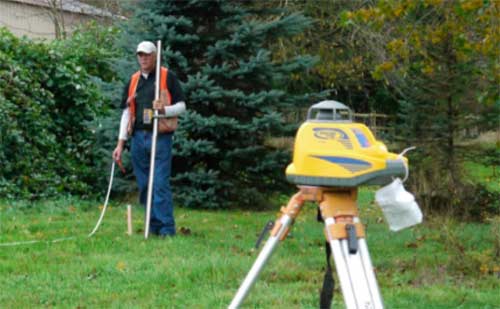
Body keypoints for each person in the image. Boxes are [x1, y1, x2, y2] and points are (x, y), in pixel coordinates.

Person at [112, 41, 186, 237]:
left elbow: (182, 106)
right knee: (145, 185)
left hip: (160, 138)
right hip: (138, 138)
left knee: (160, 183)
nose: (143, 59)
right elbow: (127, 113)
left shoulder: (166, 77)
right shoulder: (133, 81)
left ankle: (166, 229)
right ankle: (152, 226)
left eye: (147, 55)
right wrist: (120, 144)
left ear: (155, 56)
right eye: (140, 55)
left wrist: (164, 110)